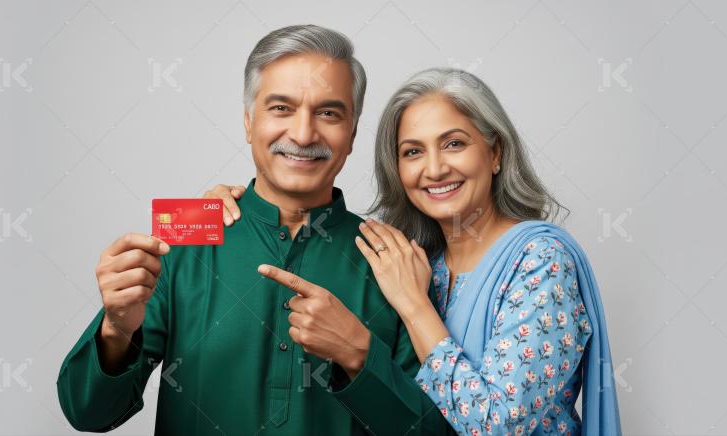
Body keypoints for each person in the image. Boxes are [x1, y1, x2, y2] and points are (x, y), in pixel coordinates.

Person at [57, 25, 451, 435]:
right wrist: (116, 330)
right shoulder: (188, 235)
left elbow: (431, 432)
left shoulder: (392, 261)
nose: (302, 134)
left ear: (352, 134)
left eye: (328, 113)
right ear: (248, 122)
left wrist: (358, 355)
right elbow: (88, 413)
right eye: (281, 108)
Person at [204, 68, 622, 435]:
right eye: (413, 152)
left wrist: (414, 306)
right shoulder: (415, 260)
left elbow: (495, 426)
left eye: (454, 144)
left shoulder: (540, 260)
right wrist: (238, 209)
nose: (435, 169)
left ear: (495, 153)